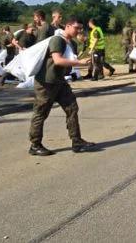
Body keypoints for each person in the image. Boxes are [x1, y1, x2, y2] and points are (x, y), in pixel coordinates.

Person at [29, 17, 95, 156]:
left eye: (80, 29)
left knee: (72, 108)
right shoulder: (57, 40)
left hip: (59, 81)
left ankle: (76, 141)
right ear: (68, 26)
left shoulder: (68, 42)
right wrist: (80, 63)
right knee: (41, 113)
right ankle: (35, 145)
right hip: (46, 82)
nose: (79, 31)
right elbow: (57, 60)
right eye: (76, 28)